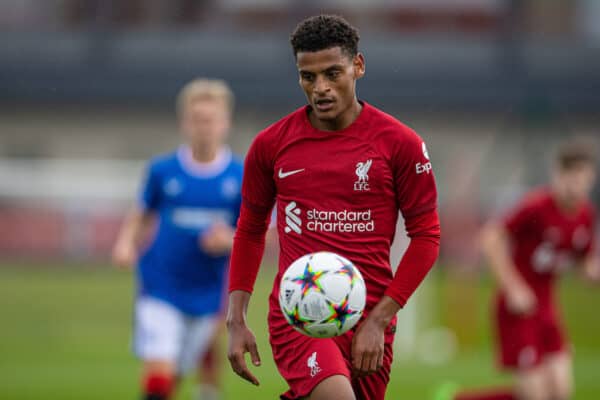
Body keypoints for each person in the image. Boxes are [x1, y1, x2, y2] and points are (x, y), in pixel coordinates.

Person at [226, 15, 441, 400]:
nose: (320, 88)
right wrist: (235, 318)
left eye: (332, 73)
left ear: (358, 66)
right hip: (300, 316)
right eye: (308, 77)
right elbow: (250, 229)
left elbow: (426, 237)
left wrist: (381, 318)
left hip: (371, 319)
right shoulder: (271, 145)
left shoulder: (400, 144)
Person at [112, 78, 242, 400]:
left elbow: (257, 233)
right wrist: (126, 243)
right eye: (197, 120)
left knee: (175, 377)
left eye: (210, 120)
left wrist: (230, 239)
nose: (204, 127)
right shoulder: (163, 170)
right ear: (185, 123)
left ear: (225, 123)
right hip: (160, 287)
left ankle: (207, 387)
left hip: (208, 293)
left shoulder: (240, 176)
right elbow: (142, 213)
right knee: (160, 372)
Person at [441, 139, 598, 400]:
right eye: (570, 178)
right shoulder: (536, 206)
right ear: (557, 174)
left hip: (548, 309)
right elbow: (490, 237)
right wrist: (513, 287)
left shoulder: (585, 215)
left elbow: (585, 265)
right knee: (535, 395)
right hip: (517, 311)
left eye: (583, 179)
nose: (576, 186)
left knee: (560, 391)